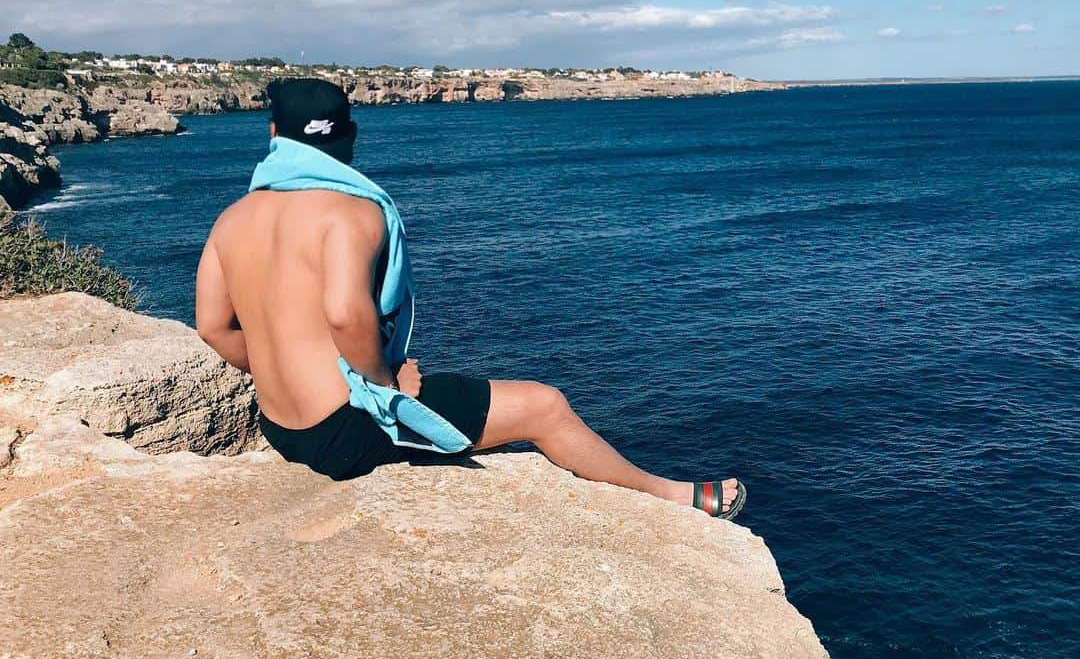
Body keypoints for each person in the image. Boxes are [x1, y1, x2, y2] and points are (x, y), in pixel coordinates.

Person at [195, 77, 745, 519]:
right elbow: (344, 312)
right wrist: (389, 387)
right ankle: (669, 496)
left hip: (282, 428)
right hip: (347, 433)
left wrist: (278, 367)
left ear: (273, 134)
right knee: (542, 405)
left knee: (472, 405)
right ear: (350, 136)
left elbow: (214, 328)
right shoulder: (350, 211)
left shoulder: (232, 219)